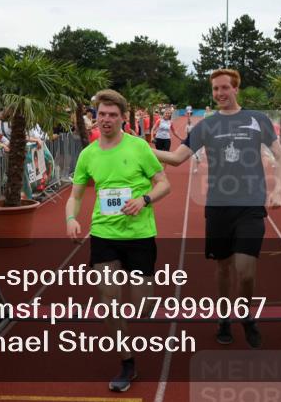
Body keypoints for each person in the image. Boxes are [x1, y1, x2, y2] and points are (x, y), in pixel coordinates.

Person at [154, 68, 281, 348]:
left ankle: (247, 316)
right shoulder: (206, 125)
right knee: (224, 267)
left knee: (246, 270)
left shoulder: (257, 119)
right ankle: (224, 318)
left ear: (236, 89)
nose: (220, 93)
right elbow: (177, 158)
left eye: (225, 88)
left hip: (250, 206)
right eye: (215, 89)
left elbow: (280, 154)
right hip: (218, 206)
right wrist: (140, 148)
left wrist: (277, 189)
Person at [65, 89, 171, 392]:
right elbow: (74, 197)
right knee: (109, 300)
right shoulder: (88, 154)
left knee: (142, 306)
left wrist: (144, 200)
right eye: (102, 114)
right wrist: (71, 219)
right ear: (96, 118)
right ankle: (127, 361)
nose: (107, 119)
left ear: (123, 118)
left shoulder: (139, 147)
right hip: (104, 234)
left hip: (139, 235)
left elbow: (164, 184)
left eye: (113, 115)